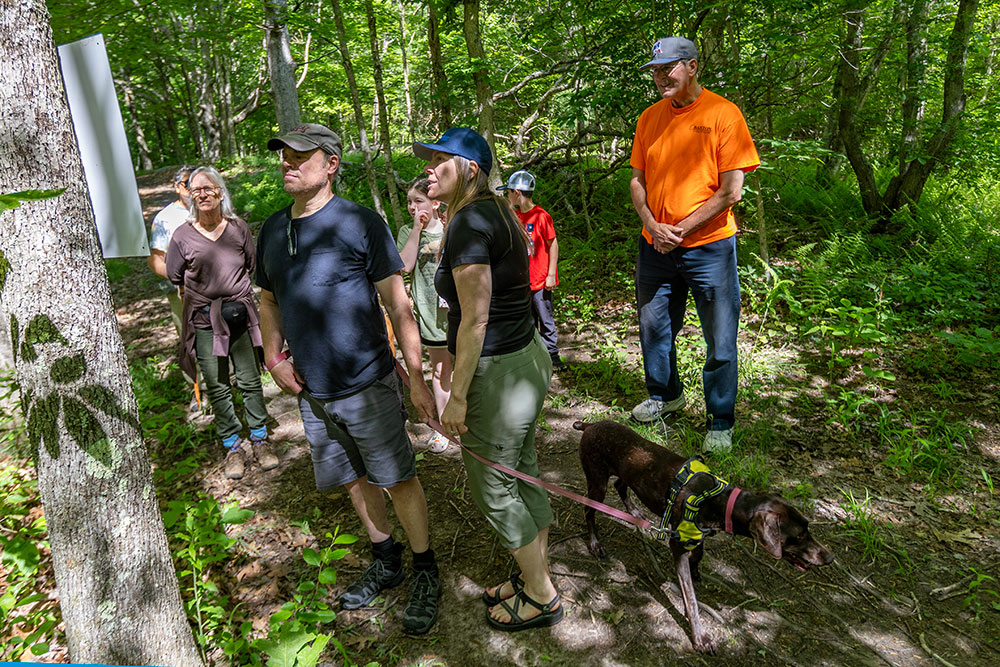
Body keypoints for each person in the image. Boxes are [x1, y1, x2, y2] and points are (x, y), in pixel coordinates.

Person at [255, 123, 440, 635]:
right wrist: (273, 357)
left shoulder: (360, 223)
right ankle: (387, 558)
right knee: (354, 479)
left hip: (368, 381)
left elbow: (398, 305)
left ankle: (425, 568)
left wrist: (417, 380)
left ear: (331, 164)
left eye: (301, 156)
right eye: (284, 156)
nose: (288, 164)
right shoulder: (272, 229)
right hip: (313, 390)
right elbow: (267, 299)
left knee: (396, 476)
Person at [414, 127, 562, 632]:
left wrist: (456, 398)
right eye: (429, 161)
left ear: (470, 170)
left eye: (440, 161)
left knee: (493, 483)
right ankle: (534, 574)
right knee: (519, 467)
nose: (430, 169)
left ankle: (542, 596)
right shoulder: (496, 209)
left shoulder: (469, 222)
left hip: (499, 372)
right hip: (525, 358)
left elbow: (474, 319)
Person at [628, 36, 760, 453]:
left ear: (693, 66)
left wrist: (679, 230)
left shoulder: (723, 114)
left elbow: (731, 191)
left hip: (709, 248)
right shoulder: (650, 118)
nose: (661, 76)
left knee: (720, 338)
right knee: (653, 327)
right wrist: (652, 223)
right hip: (656, 246)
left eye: (669, 68)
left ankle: (720, 419)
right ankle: (666, 396)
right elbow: (637, 180)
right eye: (655, 70)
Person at [165, 166, 279, 480]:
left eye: (208, 188)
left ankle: (259, 438)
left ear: (220, 192)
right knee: (217, 383)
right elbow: (175, 274)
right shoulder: (182, 236)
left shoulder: (238, 228)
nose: (202, 193)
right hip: (204, 319)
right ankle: (232, 445)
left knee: (249, 379)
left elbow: (251, 264)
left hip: (240, 315)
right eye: (195, 189)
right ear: (190, 195)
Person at [397, 178, 454, 454]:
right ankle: (443, 428)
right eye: (409, 202)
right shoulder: (408, 231)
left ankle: (466, 420)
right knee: (441, 369)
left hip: (455, 312)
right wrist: (417, 230)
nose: (412, 207)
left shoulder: (450, 229)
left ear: (435, 202)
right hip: (430, 315)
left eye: (418, 201)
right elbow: (405, 266)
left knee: (465, 367)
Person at [148, 166, 204, 413]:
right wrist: (180, 279)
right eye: (185, 183)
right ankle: (197, 389)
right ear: (176, 187)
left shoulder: (211, 208)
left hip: (216, 288)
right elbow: (156, 260)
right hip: (183, 293)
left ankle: (228, 382)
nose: (191, 188)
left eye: (196, 182)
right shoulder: (165, 218)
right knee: (190, 339)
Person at [500, 170, 564, 370]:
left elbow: (553, 244)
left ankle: (552, 356)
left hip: (540, 279)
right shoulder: (514, 215)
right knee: (527, 320)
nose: (507, 196)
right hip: (521, 280)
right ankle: (533, 355)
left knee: (545, 318)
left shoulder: (541, 216)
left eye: (509, 192)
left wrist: (551, 274)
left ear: (517, 192)